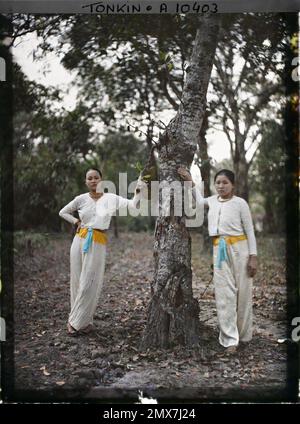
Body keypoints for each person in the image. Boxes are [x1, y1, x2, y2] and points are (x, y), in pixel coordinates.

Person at [178, 167, 258, 352]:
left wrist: (253, 257)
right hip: (219, 250)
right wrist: (189, 179)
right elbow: (198, 200)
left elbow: (251, 231)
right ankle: (230, 339)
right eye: (218, 183)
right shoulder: (212, 201)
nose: (221, 186)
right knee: (224, 294)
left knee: (243, 293)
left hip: (240, 249)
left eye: (225, 182)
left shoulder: (240, 204)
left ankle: (244, 334)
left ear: (233, 185)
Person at [59, 168, 143, 336]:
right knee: (76, 281)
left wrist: (139, 188)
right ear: (86, 182)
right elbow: (63, 212)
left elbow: (133, 205)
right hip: (79, 240)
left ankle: (75, 323)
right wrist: (76, 221)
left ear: (101, 180)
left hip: (97, 241)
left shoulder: (110, 198)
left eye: (96, 177)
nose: (93, 181)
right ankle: (82, 321)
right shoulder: (81, 199)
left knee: (90, 282)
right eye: (89, 178)